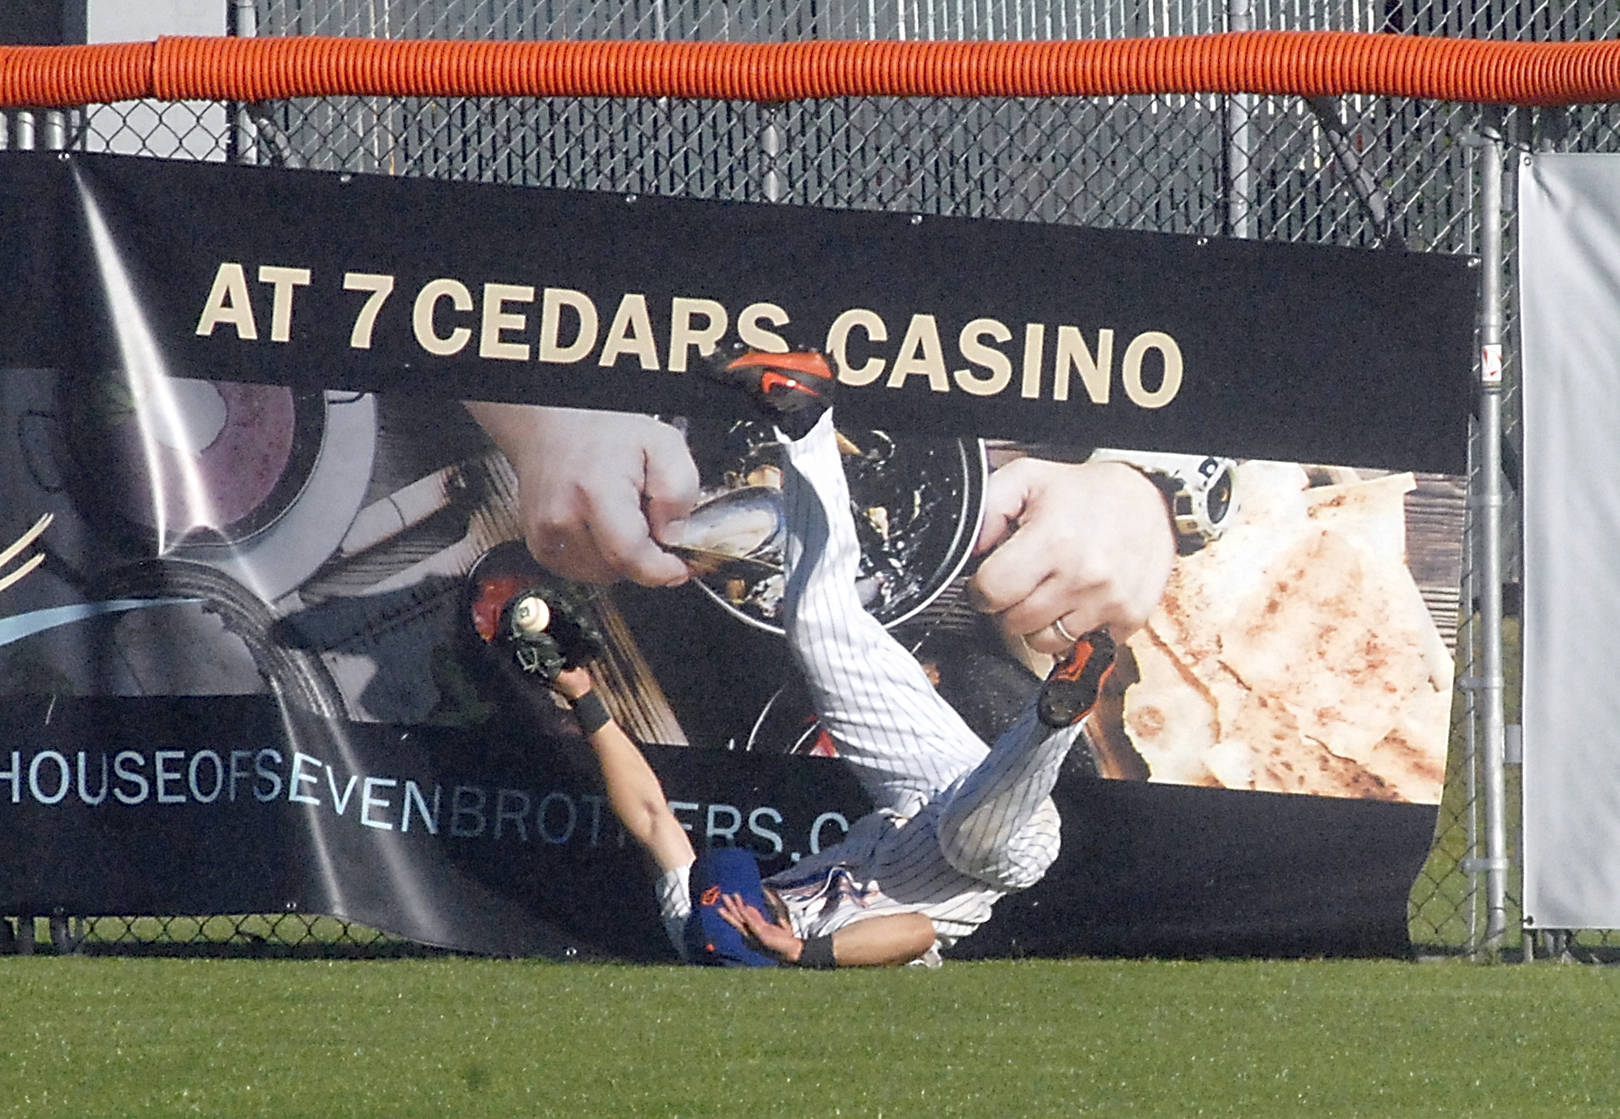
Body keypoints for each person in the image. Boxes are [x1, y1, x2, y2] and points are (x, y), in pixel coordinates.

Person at [511, 344, 1117, 967]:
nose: (750, 895)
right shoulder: (815, 969)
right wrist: (803, 951)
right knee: (968, 836)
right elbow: (916, 932)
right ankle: (1056, 716)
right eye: (747, 906)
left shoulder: (692, 927)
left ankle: (804, 416)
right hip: (1001, 843)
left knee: (815, 625)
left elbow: (650, 817)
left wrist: (582, 695)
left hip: (918, 792)